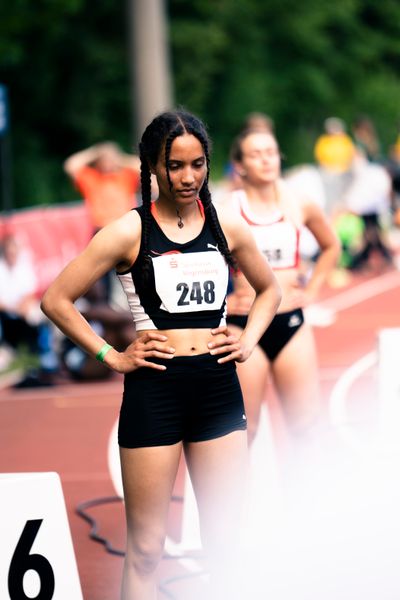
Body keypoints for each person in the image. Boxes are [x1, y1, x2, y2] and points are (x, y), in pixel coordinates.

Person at [41, 110, 281, 600]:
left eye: (197, 164)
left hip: (217, 389)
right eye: (175, 165)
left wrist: (249, 338)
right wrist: (112, 355)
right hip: (156, 392)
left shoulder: (226, 226)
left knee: (225, 545)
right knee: (147, 549)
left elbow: (269, 290)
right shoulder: (128, 231)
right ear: (151, 166)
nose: (188, 176)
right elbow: (56, 300)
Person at [224, 128, 340, 445]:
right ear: (240, 165)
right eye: (256, 154)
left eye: (271, 152)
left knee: (306, 427)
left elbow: (331, 246)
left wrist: (312, 289)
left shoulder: (298, 203)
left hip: (290, 321)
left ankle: (307, 495)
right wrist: (222, 303)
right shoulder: (225, 209)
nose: (266, 160)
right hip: (243, 325)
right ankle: (235, 496)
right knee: (244, 430)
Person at [64, 142, 141, 300]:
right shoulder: (91, 178)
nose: (107, 162)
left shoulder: (125, 176)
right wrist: (95, 152)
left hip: (125, 230)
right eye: (104, 159)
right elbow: (70, 165)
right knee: (102, 279)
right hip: (102, 231)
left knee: (134, 272)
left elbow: (142, 166)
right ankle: (108, 309)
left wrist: (118, 158)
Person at [0, 234, 58, 385]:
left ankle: (47, 355)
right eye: (9, 252)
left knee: (40, 316)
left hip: (22, 309)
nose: (12, 255)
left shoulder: (24, 266)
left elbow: (29, 294)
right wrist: (13, 309)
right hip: (5, 312)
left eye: (14, 252)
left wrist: (21, 308)